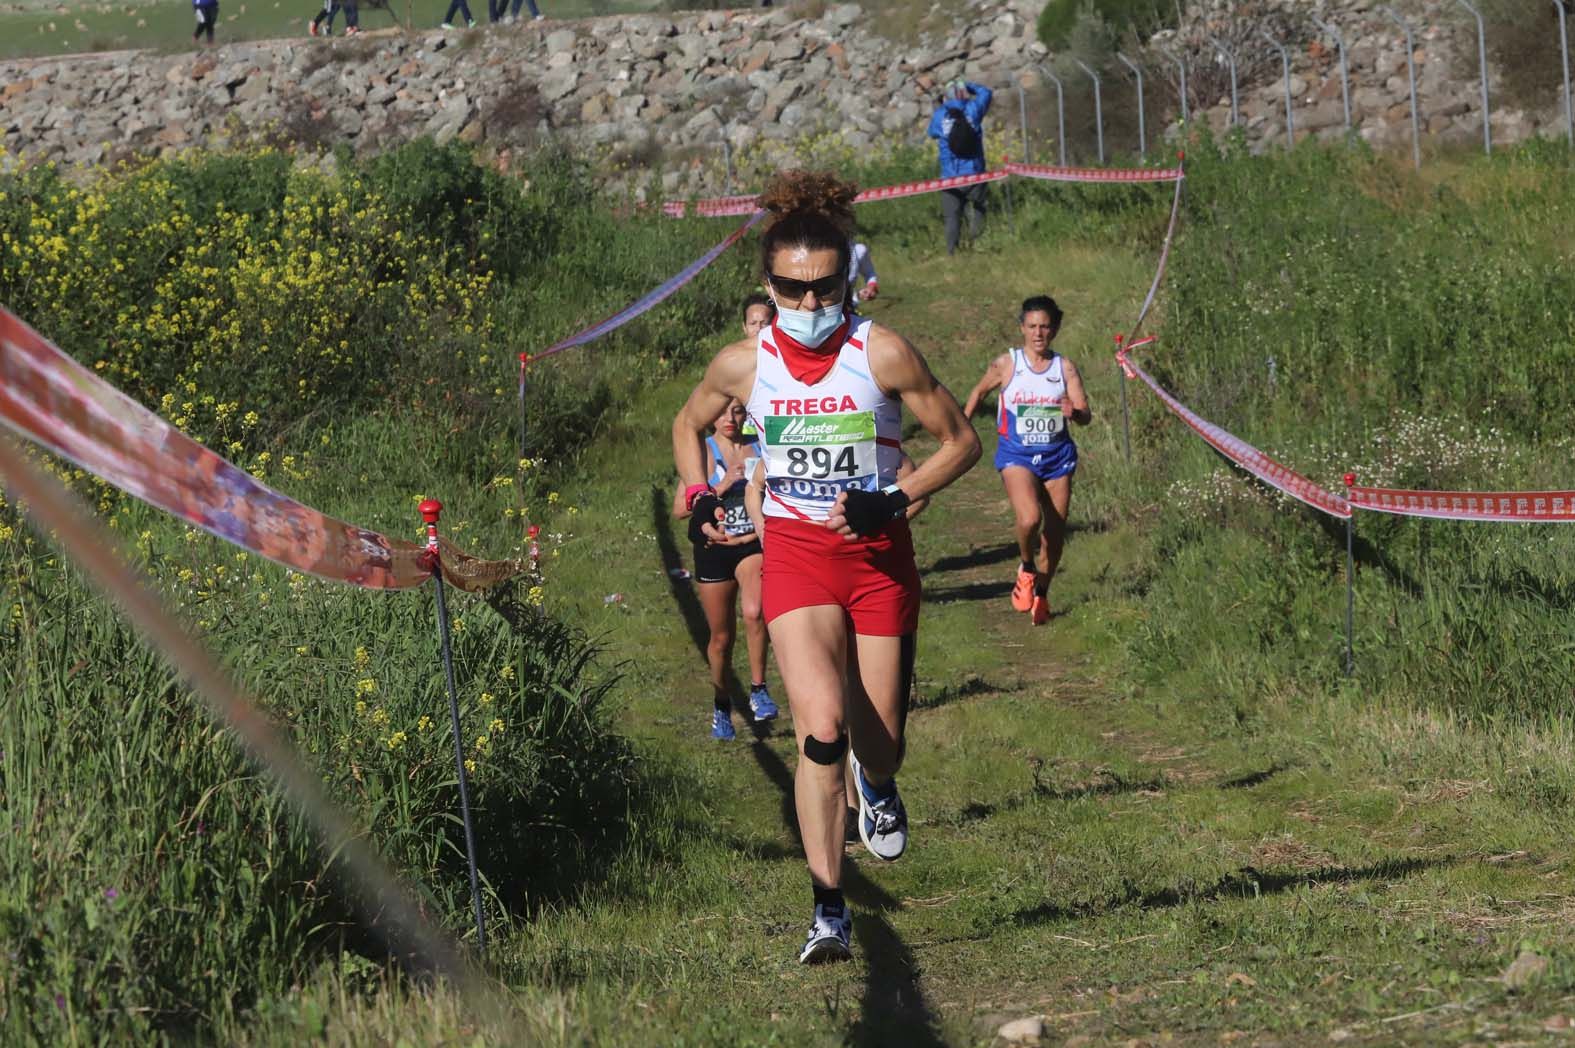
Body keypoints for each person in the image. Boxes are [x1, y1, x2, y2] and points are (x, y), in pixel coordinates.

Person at [672, 170, 980, 965]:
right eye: (792, 290)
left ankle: (876, 786)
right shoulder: (744, 364)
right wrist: (702, 488)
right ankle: (828, 908)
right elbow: (688, 419)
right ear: (767, 283)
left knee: (877, 748)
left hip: (878, 561)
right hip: (799, 560)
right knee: (819, 730)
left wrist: (895, 497)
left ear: (848, 277)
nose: (809, 307)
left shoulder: (880, 352)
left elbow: (960, 442)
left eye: (825, 289)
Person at [961, 295, 1090, 626]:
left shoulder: (1064, 367)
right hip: (1017, 455)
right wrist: (960, 431)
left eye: (1045, 326)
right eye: (1032, 326)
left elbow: (1085, 414)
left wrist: (1072, 412)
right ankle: (1026, 566)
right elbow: (978, 393)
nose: (1038, 333)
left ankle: (1042, 595)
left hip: (1057, 458)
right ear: (1022, 328)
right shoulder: (1008, 364)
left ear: (1055, 329)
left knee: (1055, 536)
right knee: (1030, 519)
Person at [671, 395, 780, 740]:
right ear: (710, 417)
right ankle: (721, 705)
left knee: (755, 611)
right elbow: (679, 508)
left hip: (751, 543)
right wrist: (721, 485)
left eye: (736, 411)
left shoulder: (758, 447)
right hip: (714, 550)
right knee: (721, 638)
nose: (729, 418)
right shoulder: (702, 451)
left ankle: (759, 689)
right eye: (721, 412)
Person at [927, 79, 993, 255]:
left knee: (952, 218)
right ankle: (975, 242)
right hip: (975, 173)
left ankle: (952, 253)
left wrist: (941, 106)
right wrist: (968, 84)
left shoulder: (940, 115)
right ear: (964, 93)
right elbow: (986, 92)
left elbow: (932, 133)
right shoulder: (974, 109)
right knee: (979, 208)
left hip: (950, 176)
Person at [847, 240, 878, 308]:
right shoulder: (819, 249)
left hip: (848, 309)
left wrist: (871, 288)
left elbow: (870, 273)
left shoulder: (858, 250)